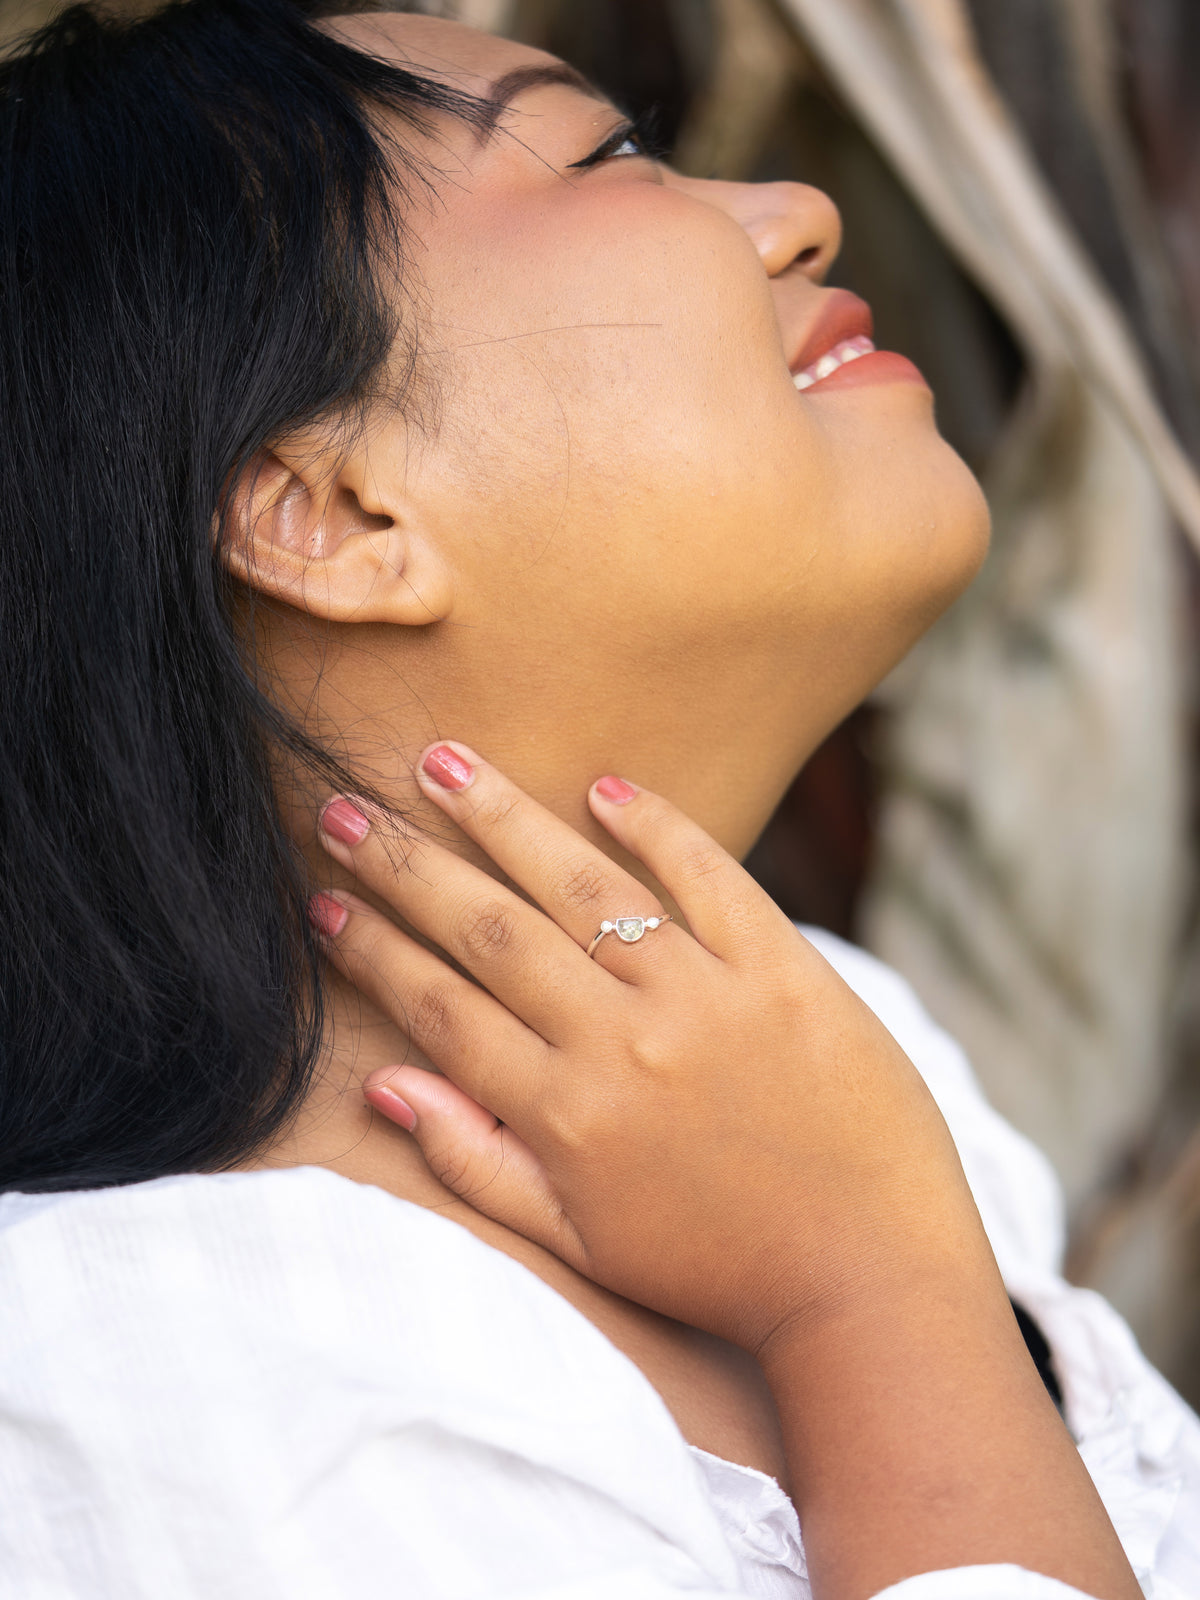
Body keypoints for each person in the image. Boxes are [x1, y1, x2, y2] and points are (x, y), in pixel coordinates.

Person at [0, 2, 1196, 1597]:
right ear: (333, 511)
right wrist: (868, 1289)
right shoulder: (169, 1389)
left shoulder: (832, 1050)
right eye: (613, 153)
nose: (796, 211)